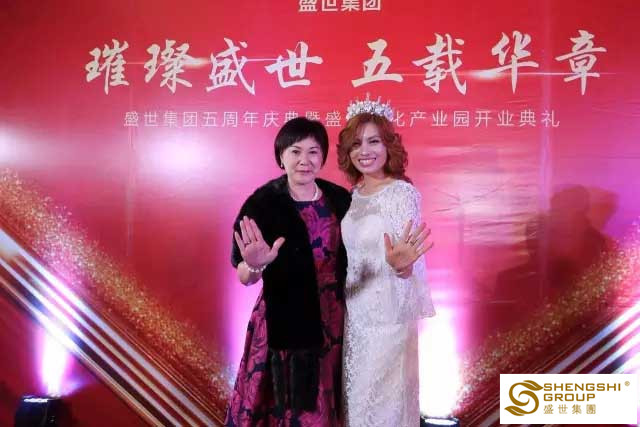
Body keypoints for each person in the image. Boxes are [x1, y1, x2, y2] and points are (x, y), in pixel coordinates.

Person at [224, 117, 351, 426]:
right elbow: (244, 275)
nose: (304, 160)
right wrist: (255, 263)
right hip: (281, 316)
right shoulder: (262, 204)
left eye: (313, 152)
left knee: (325, 402)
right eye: (295, 151)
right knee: (282, 406)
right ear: (281, 156)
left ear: (323, 157)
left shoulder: (341, 200)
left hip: (332, 317)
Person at [337, 98, 435, 427]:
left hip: (388, 322)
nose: (365, 151)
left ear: (388, 146)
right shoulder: (352, 196)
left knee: (380, 411)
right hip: (355, 319)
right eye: (356, 144)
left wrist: (401, 266)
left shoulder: (401, 194)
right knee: (355, 407)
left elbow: (408, 259)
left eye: (374, 141)